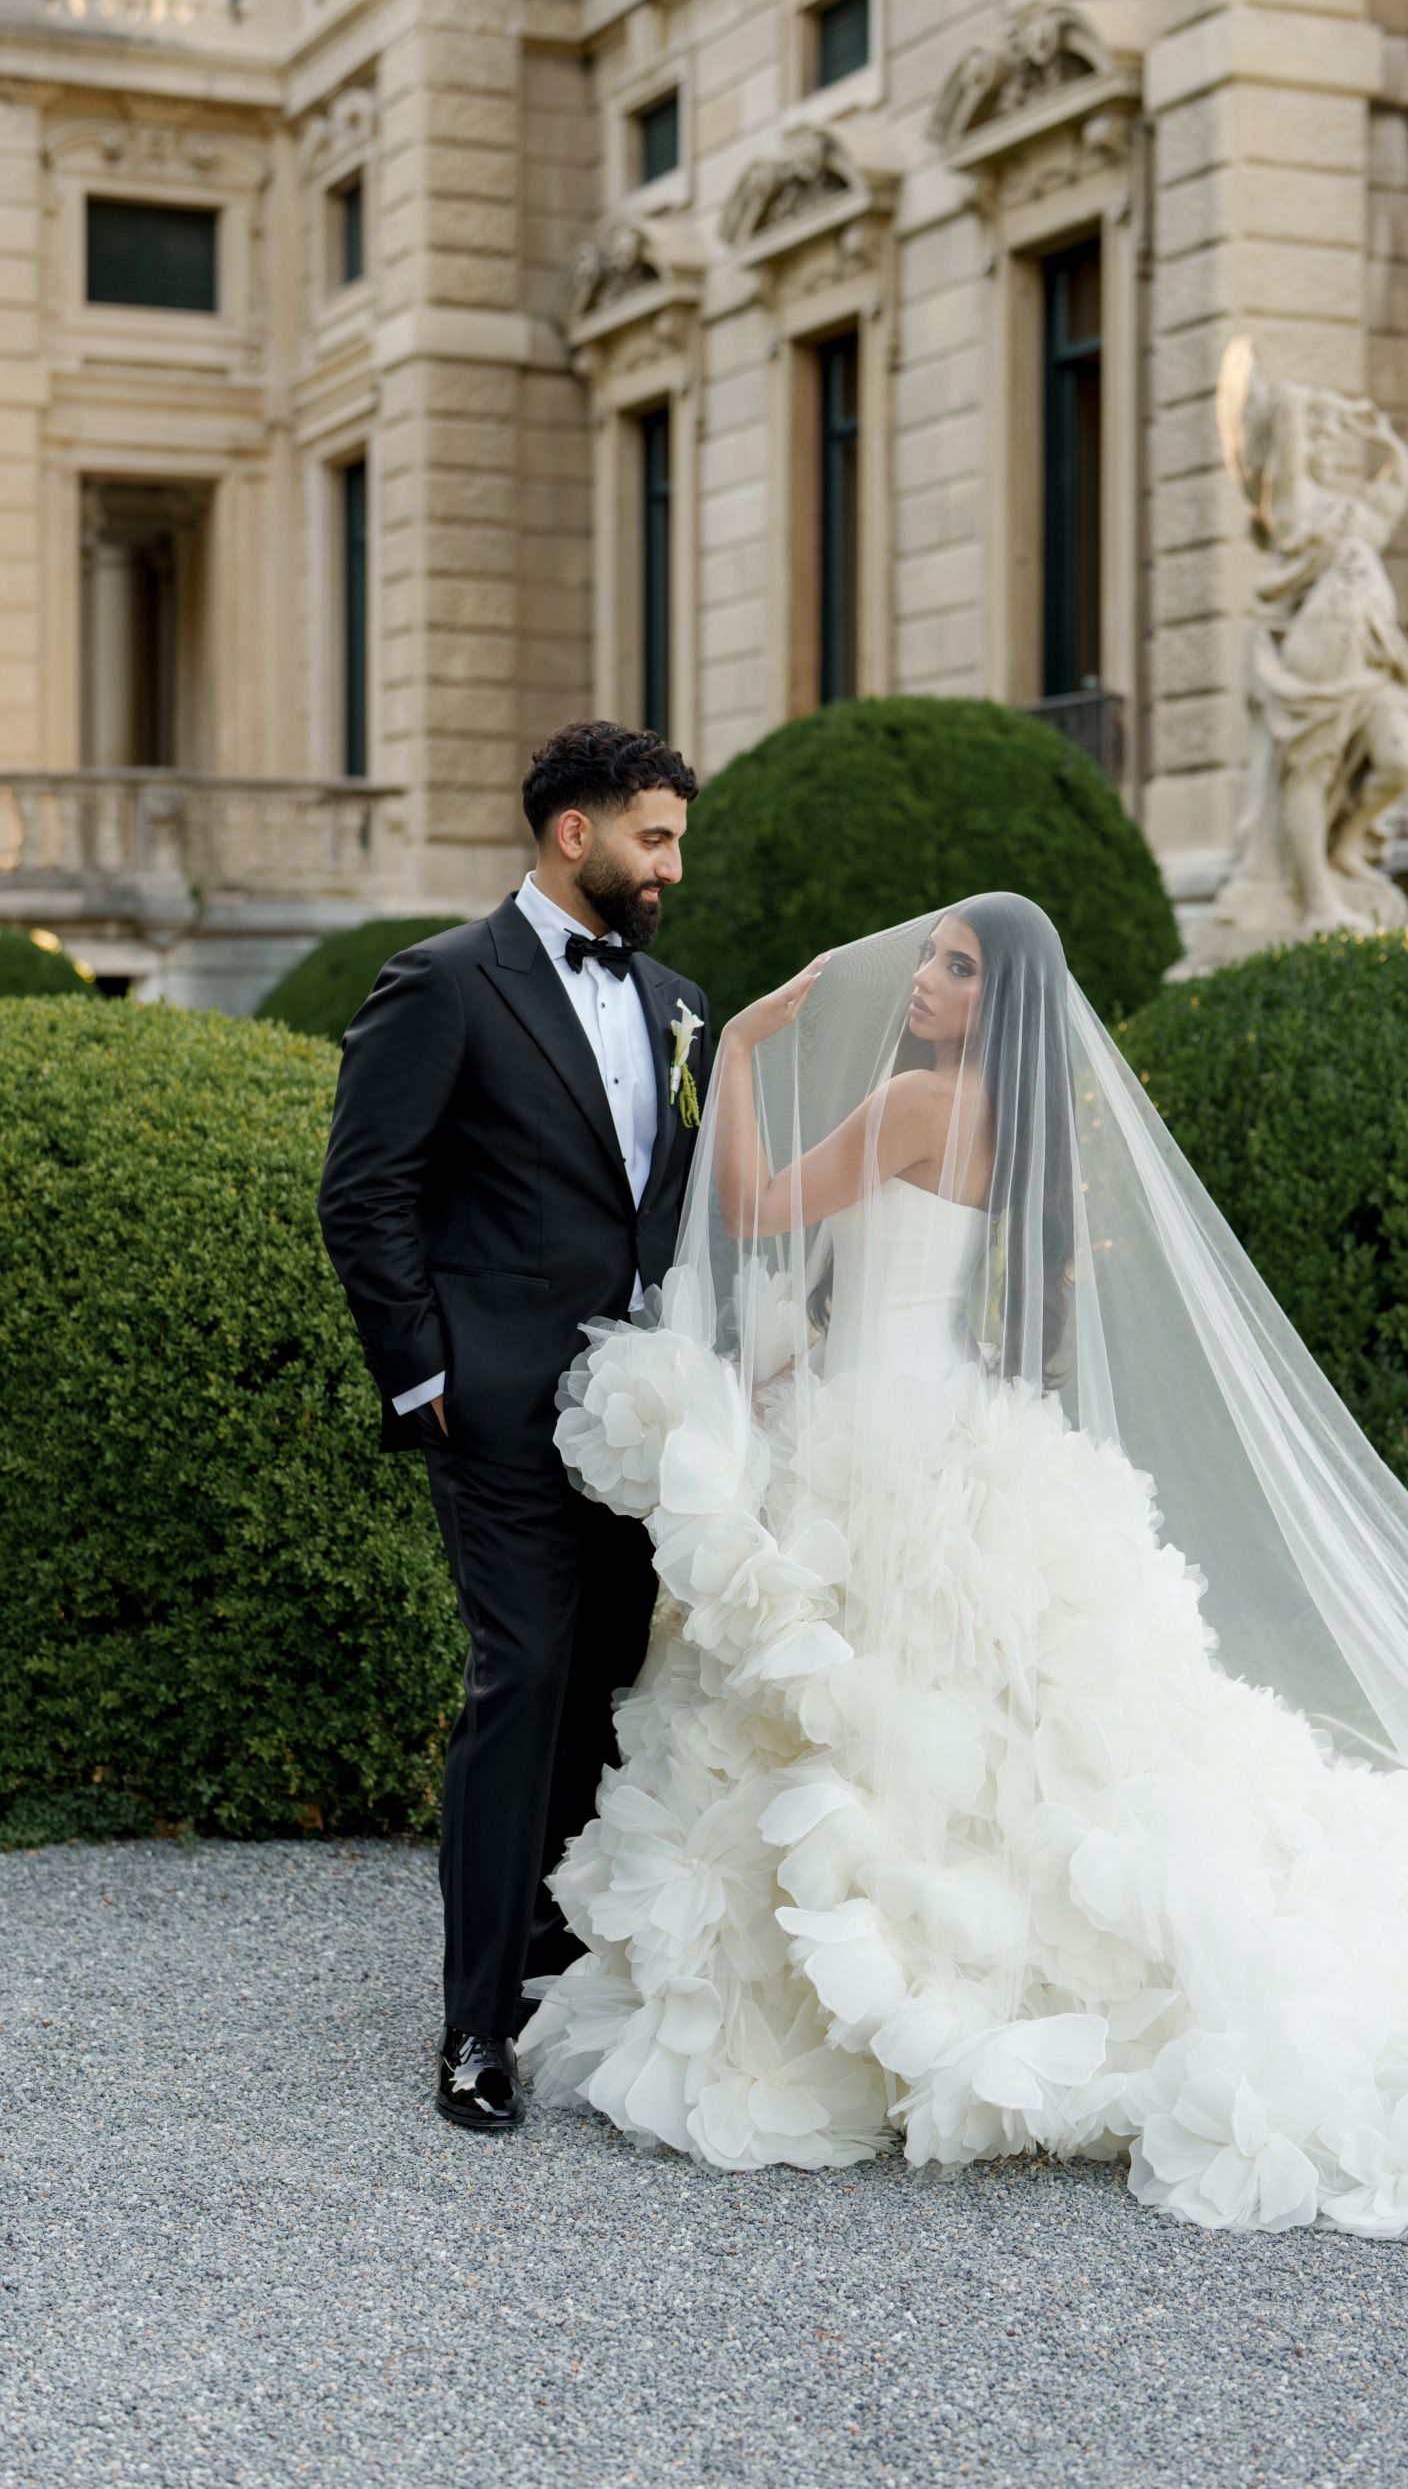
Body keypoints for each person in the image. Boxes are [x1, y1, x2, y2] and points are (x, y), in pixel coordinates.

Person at [522, 891, 1408, 2254]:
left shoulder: (910, 1105)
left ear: (995, 1001)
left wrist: (750, 1048)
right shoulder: (1016, 1124)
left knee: (872, 1710)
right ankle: (967, 1963)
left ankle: (899, 1977)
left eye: (954, 969)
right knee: (971, 1723)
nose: (926, 982)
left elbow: (764, 1204)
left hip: (871, 1453)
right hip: (943, 1426)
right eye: (934, 960)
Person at [318, 721, 709, 2132]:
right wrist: (427, 1376)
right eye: (653, 837)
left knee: (609, 1677)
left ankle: (562, 1960)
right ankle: (474, 2028)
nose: (670, 864)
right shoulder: (443, 985)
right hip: (497, 1412)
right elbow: (364, 1193)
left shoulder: (678, 1004)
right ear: (574, 834)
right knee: (521, 1677)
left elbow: (680, 1209)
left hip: (637, 1417)